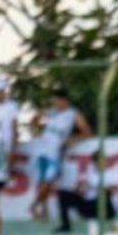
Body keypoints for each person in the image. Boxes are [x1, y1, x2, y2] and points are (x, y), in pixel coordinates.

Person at [30, 89, 93, 222]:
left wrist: (72, 139)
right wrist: (36, 131)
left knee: (49, 179)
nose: (55, 104)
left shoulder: (73, 114)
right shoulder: (51, 112)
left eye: (56, 101)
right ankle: (44, 212)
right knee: (42, 180)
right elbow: (34, 120)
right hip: (42, 148)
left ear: (64, 100)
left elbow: (87, 131)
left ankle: (34, 205)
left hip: (56, 151)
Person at [55, 151, 118, 235]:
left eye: (104, 160)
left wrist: (91, 185)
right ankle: (65, 225)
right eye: (99, 161)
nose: (102, 163)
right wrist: (79, 188)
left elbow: (111, 192)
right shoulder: (89, 174)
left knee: (104, 196)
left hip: (106, 208)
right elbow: (79, 192)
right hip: (90, 206)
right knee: (63, 193)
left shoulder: (114, 174)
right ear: (95, 162)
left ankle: (105, 221)